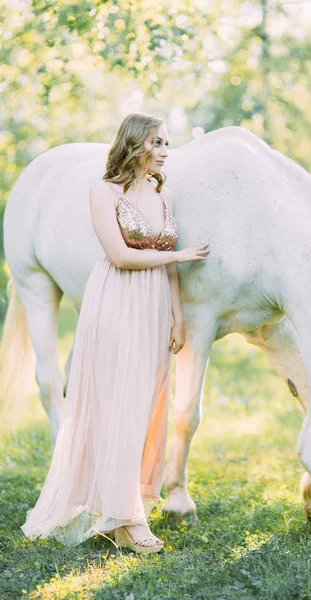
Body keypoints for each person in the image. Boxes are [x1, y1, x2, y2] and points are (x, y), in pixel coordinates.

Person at [21, 113, 210, 553]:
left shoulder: (163, 193)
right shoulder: (102, 191)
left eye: (167, 143)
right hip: (117, 299)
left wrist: (177, 315)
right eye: (158, 143)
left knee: (146, 404)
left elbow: (164, 256)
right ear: (136, 144)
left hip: (157, 302)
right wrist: (180, 257)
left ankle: (126, 503)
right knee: (120, 402)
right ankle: (127, 520)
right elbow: (121, 256)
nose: (166, 151)